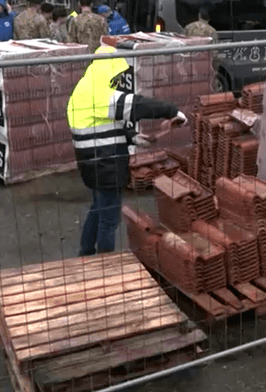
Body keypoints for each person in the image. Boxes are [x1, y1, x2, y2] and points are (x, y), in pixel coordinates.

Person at [67, 46, 187, 255]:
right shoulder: (100, 93)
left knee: (97, 210)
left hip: (91, 164)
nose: (119, 81)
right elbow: (137, 105)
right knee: (109, 221)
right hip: (106, 166)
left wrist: (132, 137)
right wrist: (172, 112)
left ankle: (85, 253)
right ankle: (106, 264)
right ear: (109, 69)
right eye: (118, 75)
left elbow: (100, 125)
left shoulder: (83, 89)